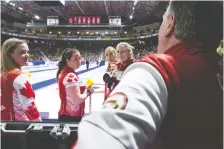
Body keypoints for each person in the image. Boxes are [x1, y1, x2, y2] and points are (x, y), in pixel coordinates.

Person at [74, 1, 223, 149]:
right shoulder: (216, 69)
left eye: (162, 22)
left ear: (170, 24)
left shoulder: (160, 69)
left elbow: (103, 135)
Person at [0, 38, 41, 121]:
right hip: (19, 127)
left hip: (4, 125)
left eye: (27, 52)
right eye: (22, 52)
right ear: (10, 54)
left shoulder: (3, 75)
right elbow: (30, 107)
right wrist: (39, 126)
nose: (27, 55)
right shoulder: (18, 76)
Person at [56, 49, 94, 122]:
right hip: (71, 117)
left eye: (80, 58)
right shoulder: (70, 76)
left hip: (67, 116)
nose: (79, 61)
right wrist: (88, 92)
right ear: (67, 60)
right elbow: (77, 100)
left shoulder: (64, 72)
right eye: (75, 59)